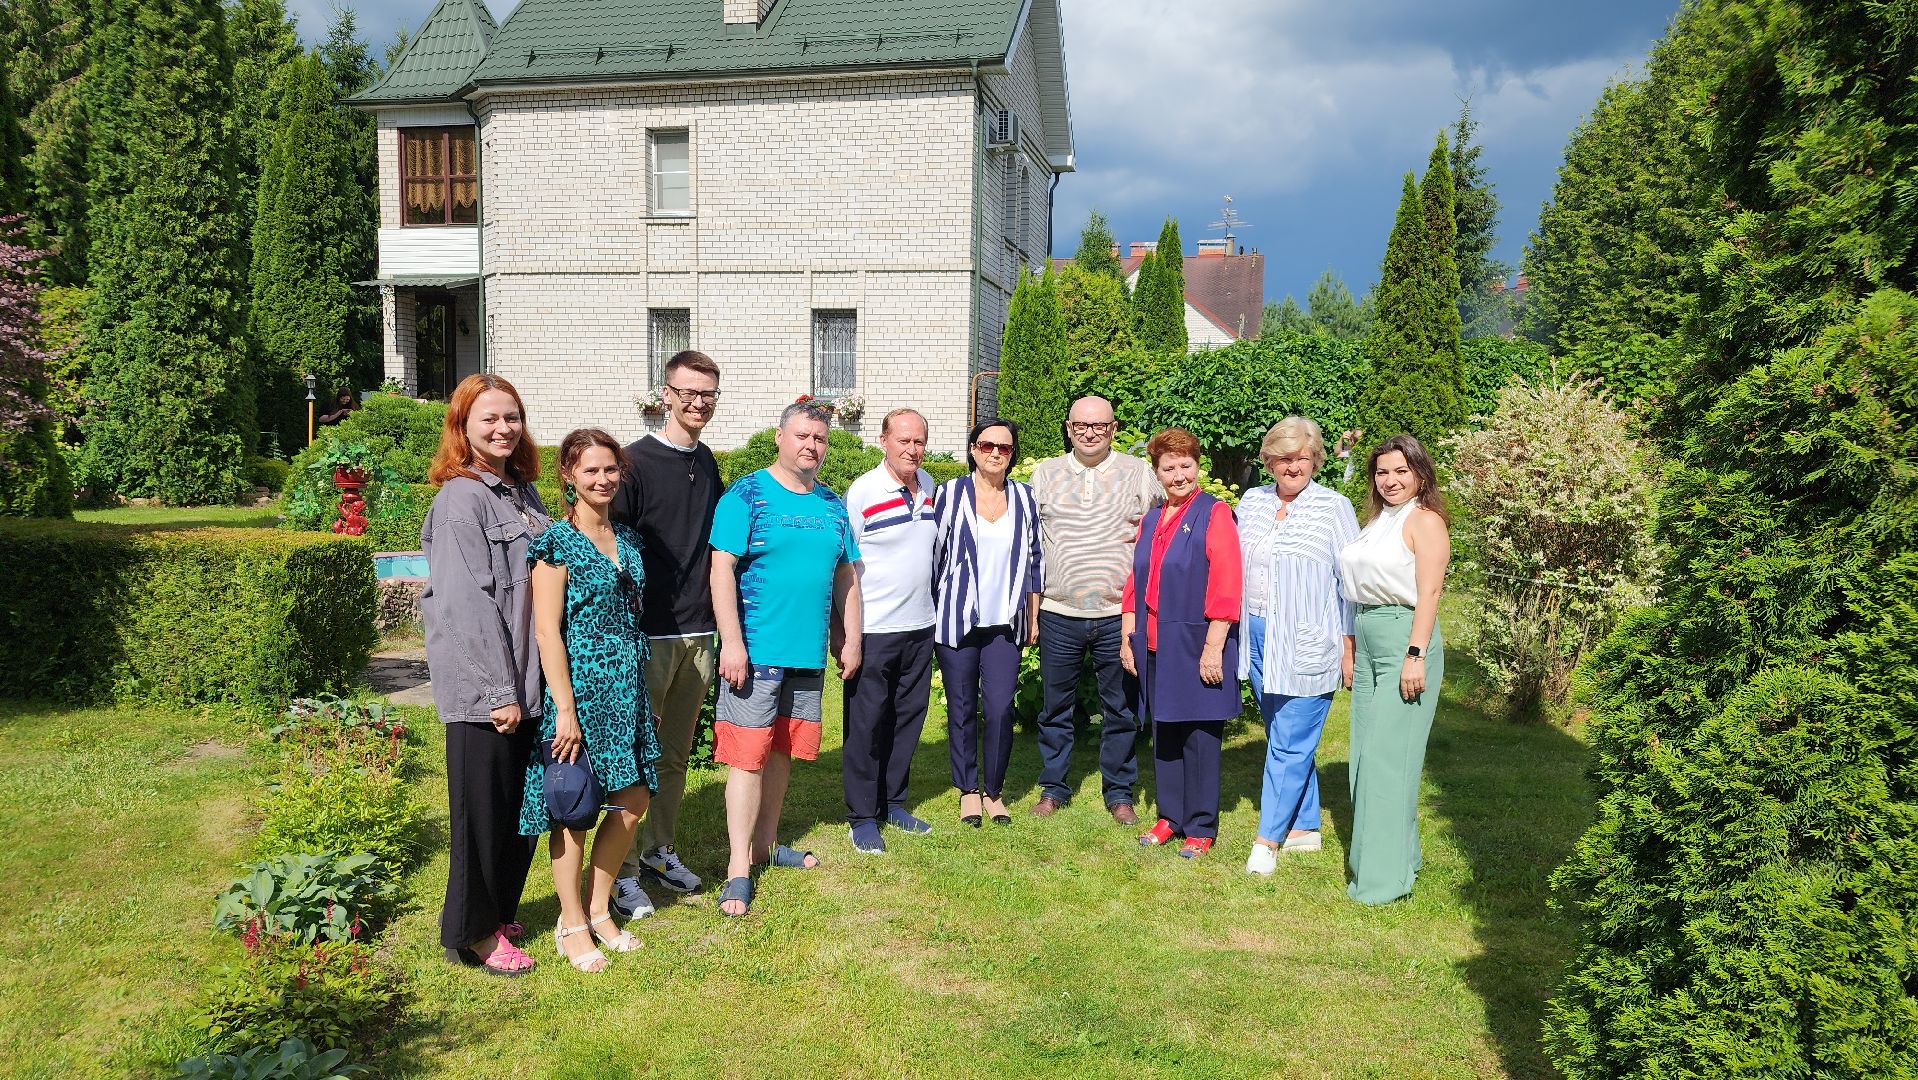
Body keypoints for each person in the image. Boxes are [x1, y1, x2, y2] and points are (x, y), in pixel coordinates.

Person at [709, 401, 862, 916]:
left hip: (807, 655)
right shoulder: (746, 495)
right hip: (754, 654)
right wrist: (732, 641)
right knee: (746, 758)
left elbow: (846, 576)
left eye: (819, 438)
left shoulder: (832, 505)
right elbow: (721, 569)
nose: (811, 446)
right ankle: (737, 868)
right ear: (780, 437)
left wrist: (851, 637)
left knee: (779, 754)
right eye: (801, 436)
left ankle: (767, 847)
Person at [421, 374, 548, 977]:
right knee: (481, 814)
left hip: (530, 683)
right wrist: (500, 691)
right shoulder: (460, 502)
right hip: (487, 692)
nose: (502, 428)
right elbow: (465, 604)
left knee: (518, 810)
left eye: (511, 417)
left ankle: (499, 909)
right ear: (462, 428)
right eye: (488, 419)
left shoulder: (523, 495)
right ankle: (471, 932)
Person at [519, 428, 659, 972]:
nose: (602, 479)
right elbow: (547, 632)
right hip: (577, 693)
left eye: (610, 469)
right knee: (573, 809)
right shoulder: (557, 542)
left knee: (632, 801)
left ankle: (601, 908)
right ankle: (572, 921)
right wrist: (567, 710)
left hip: (626, 688)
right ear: (568, 476)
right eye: (590, 471)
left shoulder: (628, 540)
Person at [607, 350, 723, 917]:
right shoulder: (633, 462)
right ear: (666, 395)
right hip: (650, 634)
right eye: (689, 392)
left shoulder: (708, 463)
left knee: (675, 755)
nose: (698, 403)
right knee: (636, 755)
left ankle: (659, 850)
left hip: (700, 631)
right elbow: (616, 547)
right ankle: (622, 872)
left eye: (708, 394)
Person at [1236, 417, 1361, 875]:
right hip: (1255, 637)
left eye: (1302, 458)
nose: (1293, 467)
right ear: (1269, 462)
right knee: (1282, 737)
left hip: (1308, 641)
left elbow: (1352, 585)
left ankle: (1266, 842)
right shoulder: (1251, 502)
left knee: (1289, 744)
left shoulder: (1334, 507)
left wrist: (1349, 648)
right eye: (1284, 458)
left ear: (1316, 459)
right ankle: (1305, 827)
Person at [1028, 396, 1160, 823]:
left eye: (1099, 426)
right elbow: (1030, 540)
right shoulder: (1045, 474)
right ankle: (1053, 787)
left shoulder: (1138, 473)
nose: (1090, 432)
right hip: (1059, 611)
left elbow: (1162, 529)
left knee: (1120, 708)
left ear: (1114, 428)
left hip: (1117, 616)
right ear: (1068, 427)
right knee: (1055, 707)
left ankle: (1119, 792)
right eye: (1082, 425)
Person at [1337, 434, 1452, 904]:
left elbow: (1429, 594)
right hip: (1368, 642)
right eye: (1383, 471)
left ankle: (1382, 884)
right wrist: (1350, 650)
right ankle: (1397, 858)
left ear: (1420, 474)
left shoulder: (1424, 521)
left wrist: (1415, 655)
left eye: (1401, 471)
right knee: (1366, 759)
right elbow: (1355, 589)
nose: (1391, 480)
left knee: (1388, 761)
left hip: (1406, 641)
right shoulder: (1378, 521)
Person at [1121, 428, 1242, 858]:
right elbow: (1136, 580)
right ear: (1157, 472)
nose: (1178, 475)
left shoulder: (1215, 514)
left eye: (1185, 466)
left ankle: (1201, 824)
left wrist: (1214, 647)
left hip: (1196, 643)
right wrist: (1128, 635)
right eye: (1168, 468)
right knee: (1165, 732)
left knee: (1199, 736)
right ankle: (1170, 817)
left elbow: (1227, 585)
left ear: (1198, 467)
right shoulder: (1153, 518)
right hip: (1153, 643)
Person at [931, 419, 1043, 828]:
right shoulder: (949, 493)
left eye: (1005, 448)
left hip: (1006, 622)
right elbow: (934, 555)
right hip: (957, 618)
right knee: (961, 707)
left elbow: (1034, 562)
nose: (996, 453)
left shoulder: (1025, 498)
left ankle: (994, 791)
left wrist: (1033, 614)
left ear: (1012, 456)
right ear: (973, 449)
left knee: (998, 708)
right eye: (987, 445)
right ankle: (967, 790)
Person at [841, 408, 939, 854]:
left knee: (907, 719)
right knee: (866, 724)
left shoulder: (931, 488)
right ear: (884, 441)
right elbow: (846, 566)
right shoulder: (864, 491)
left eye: (918, 441)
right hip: (876, 627)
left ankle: (894, 802)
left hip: (921, 625)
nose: (912, 449)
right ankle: (862, 816)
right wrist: (849, 635)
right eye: (903, 441)